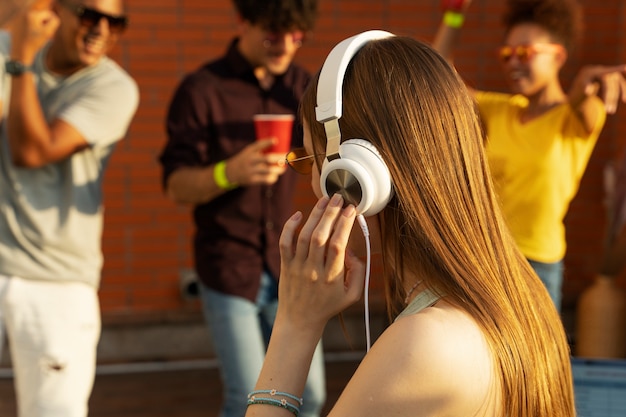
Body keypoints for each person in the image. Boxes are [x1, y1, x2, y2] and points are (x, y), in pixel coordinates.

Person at [244, 30, 576, 417]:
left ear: (350, 174)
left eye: (308, 160)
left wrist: (293, 327)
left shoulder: (425, 344)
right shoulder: (523, 296)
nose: (314, 184)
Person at [158, 1, 325, 416]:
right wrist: (227, 172)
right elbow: (176, 186)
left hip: (287, 263)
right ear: (244, 22)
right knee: (247, 398)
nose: (284, 46)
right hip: (228, 265)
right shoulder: (203, 89)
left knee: (312, 398)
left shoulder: (302, 87)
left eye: (295, 36)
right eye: (272, 34)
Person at [433, 0, 626, 312]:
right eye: (506, 54)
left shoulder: (576, 117)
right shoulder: (496, 110)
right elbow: (438, 76)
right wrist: (454, 14)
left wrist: (589, 81)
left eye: (525, 52)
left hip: (537, 267)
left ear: (558, 56)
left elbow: (584, 100)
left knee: (536, 360)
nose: (512, 62)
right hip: (485, 256)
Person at [0, 0, 138, 415]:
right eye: (89, 14)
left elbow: (32, 150)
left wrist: (21, 63)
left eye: (115, 22)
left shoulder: (114, 87)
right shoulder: (10, 46)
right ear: (55, 10)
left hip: (56, 280)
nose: (101, 29)